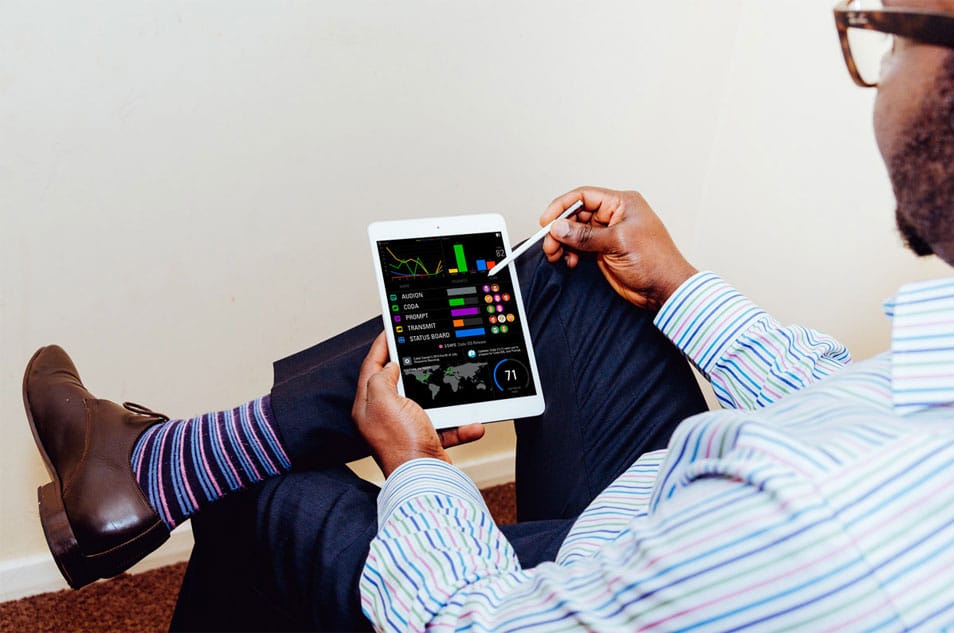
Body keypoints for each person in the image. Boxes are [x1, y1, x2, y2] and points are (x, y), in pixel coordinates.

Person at [21, 0, 954, 629]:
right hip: (668, 521)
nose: (881, 68)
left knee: (273, 495)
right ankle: (144, 469)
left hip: (573, 586)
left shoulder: (826, 520)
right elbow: (848, 401)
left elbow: (476, 621)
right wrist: (679, 283)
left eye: (894, 34)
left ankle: (165, 468)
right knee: (570, 274)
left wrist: (419, 468)